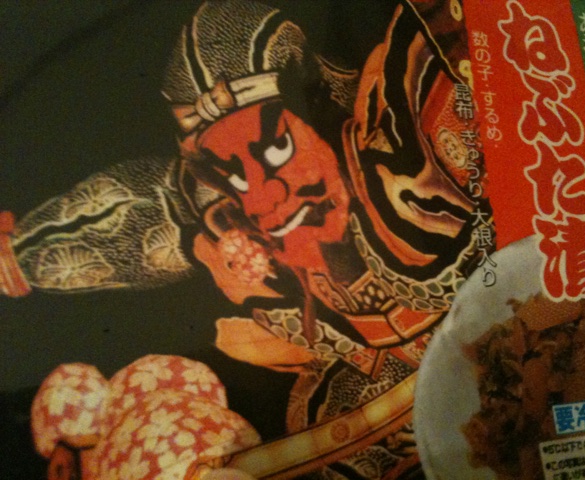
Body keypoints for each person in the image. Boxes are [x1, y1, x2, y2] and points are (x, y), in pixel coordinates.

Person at [2, 0, 493, 478]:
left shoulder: (407, 163)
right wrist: (19, 254)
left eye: (276, 148)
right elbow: (145, 211)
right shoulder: (228, 226)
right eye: (233, 176)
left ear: (316, 112)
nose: (263, 198)